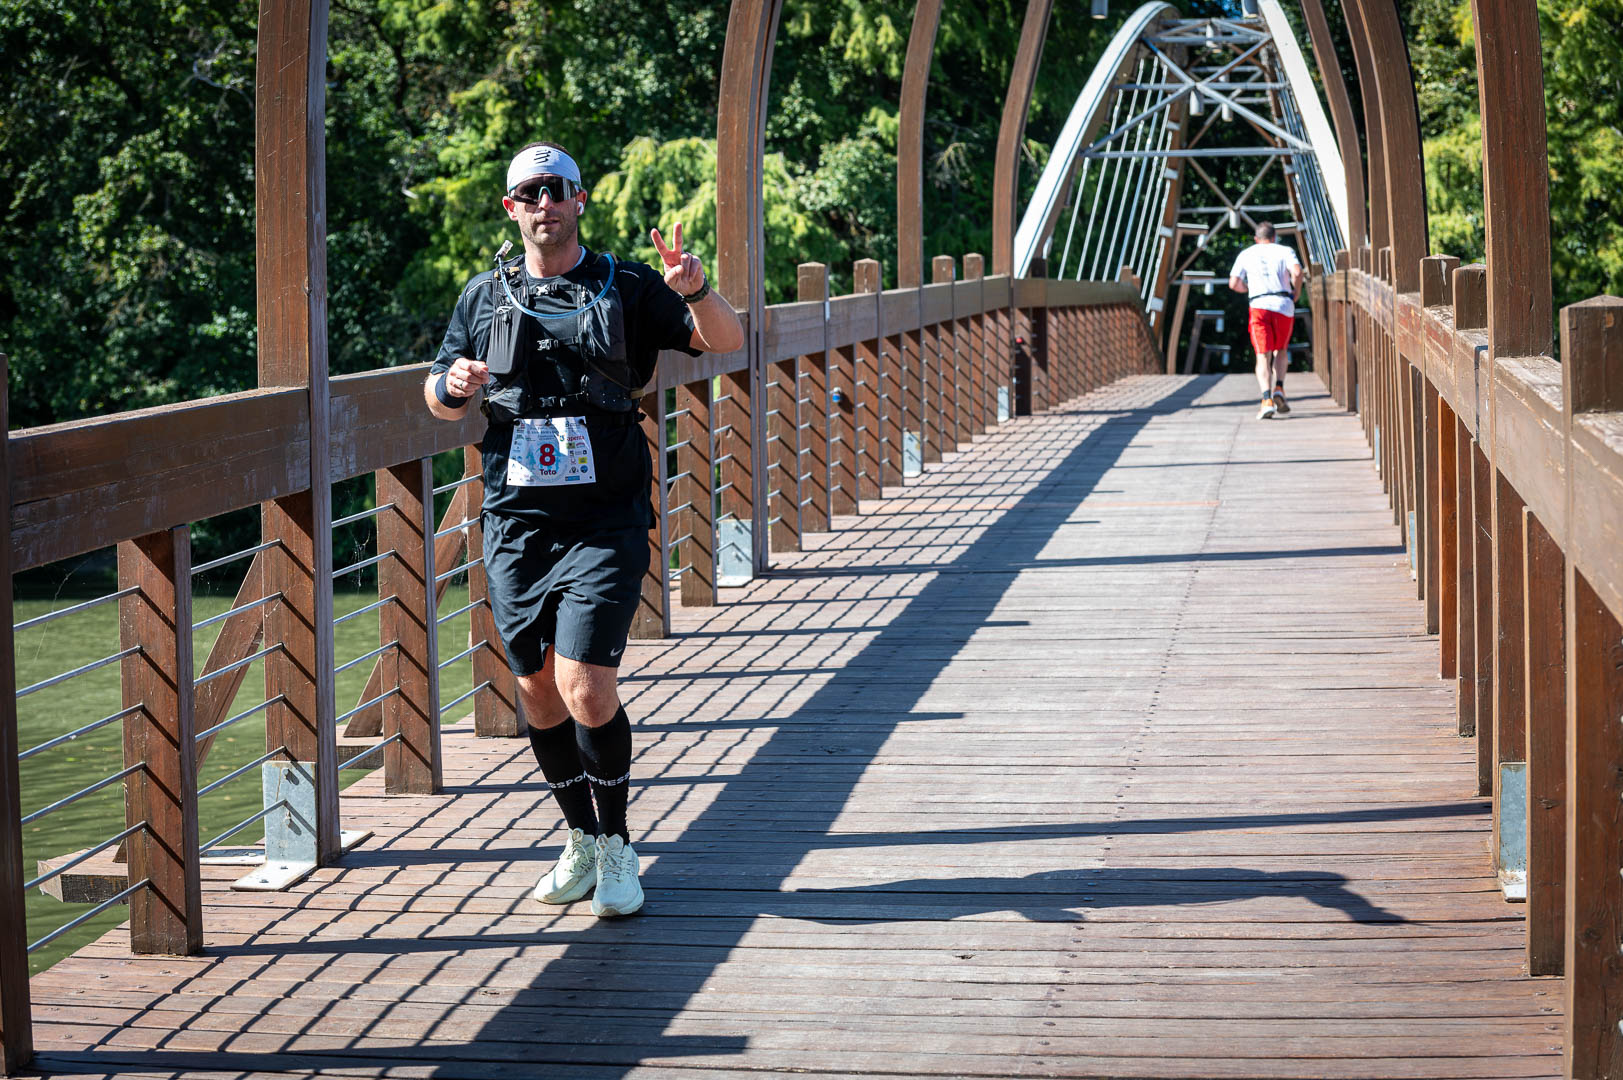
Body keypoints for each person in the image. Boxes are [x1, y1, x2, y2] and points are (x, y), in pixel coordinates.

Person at [424, 141, 744, 917]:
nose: (544, 204)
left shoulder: (627, 284)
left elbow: (725, 340)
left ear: (579, 200)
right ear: (511, 207)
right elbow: (438, 398)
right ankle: (580, 837)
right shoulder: (484, 295)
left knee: (586, 686)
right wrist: (451, 384)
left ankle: (618, 845)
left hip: (606, 517)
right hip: (516, 518)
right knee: (536, 688)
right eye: (530, 193)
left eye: (557, 189)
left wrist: (697, 290)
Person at [1228, 221, 1303, 419]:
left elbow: (1233, 283)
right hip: (1283, 305)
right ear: (1274, 237)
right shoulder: (1285, 251)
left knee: (1263, 355)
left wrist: (1248, 289)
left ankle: (1266, 400)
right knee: (1281, 349)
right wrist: (1296, 293)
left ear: (1256, 239)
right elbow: (1297, 272)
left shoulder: (1246, 254)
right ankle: (1280, 387)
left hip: (1259, 306)